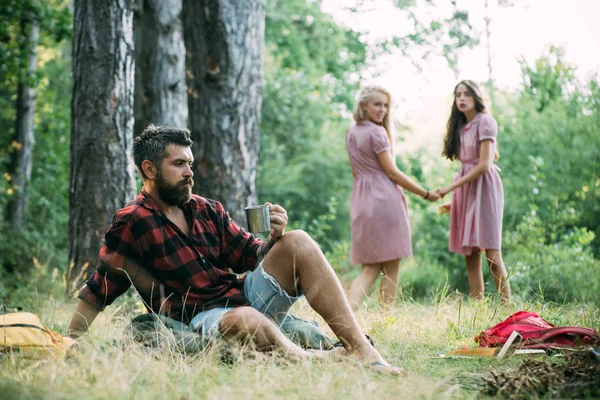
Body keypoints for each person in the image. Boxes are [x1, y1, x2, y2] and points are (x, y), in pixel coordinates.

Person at [67, 124, 403, 375]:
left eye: (190, 164)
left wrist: (275, 237)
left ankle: (363, 352)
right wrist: (69, 342)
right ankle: (318, 361)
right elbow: (99, 289)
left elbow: (249, 253)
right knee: (245, 318)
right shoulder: (133, 221)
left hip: (244, 296)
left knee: (298, 239)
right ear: (149, 169)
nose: (189, 173)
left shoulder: (204, 208)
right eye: (179, 165)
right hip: (199, 317)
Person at [345, 85, 440, 310]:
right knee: (390, 264)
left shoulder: (352, 132)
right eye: (377, 104)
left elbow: (355, 172)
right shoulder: (377, 133)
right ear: (364, 105)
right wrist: (425, 194)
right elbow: (392, 172)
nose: (383, 110)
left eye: (386, 105)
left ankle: (345, 313)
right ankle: (385, 317)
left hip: (361, 199)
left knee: (370, 266)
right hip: (384, 199)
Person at [436, 80, 511, 302]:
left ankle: (509, 308)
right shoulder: (460, 128)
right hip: (466, 191)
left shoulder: (486, 122)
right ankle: (478, 311)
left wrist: (449, 189)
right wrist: (456, 201)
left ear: (476, 97)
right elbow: (466, 166)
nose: (461, 98)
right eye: (458, 94)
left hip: (485, 188)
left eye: (466, 94)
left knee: (492, 256)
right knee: (470, 255)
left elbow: (483, 165)